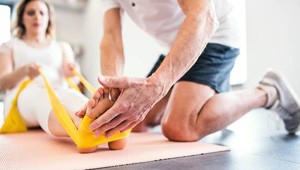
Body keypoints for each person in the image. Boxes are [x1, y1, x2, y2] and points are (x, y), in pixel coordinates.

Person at [76, 0, 300, 141]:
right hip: (176, 45)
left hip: (215, 34)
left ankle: (267, 92)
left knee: (179, 127)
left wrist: (157, 85)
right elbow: (111, 38)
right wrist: (111, 92)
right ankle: (207, 98)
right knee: (135, 122)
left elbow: (203, 16)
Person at [0, 0, 127, 153]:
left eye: (42, 13)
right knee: (42, 98)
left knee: (73, 95)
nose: (37, 17)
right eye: (30, 13)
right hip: (25, 93)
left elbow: (72, 79)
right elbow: (2, 83)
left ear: (48, 18)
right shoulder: (10, 46)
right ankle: (82, 125)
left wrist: (72, 70)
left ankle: (103, 122)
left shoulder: (61, 47)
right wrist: (24, 72)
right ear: (21, 18)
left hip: (59, 88)